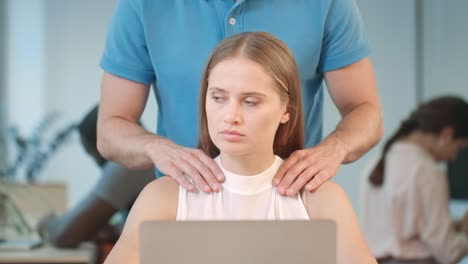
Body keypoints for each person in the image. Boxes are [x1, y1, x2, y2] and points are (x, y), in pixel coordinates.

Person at [104, 32, 376, 264]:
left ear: (286, 111)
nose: (230, 115)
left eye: (251, 101)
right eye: (219, 98)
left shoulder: (321, 200)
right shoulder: (163, 197)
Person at [97, 0, 383, 196]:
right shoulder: (141, 5)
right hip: (185, 203)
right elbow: (111, 129)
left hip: (291, 199)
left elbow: (363, 109)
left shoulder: (327, 4)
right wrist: (156, 148)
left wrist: (335, 148)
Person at [360, 96, 468, 264]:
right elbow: (448, 252)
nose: (454, 157)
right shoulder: (426, 170)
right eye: (459, 147)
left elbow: (403, 231)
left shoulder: (375, 164)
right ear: (447, 134)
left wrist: (455, 226)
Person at [38, 105, 154, 248]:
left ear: (102, 144)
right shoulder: (154, 152)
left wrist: (47, 223)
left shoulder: (129, 162)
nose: (99, 166)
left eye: (93, 155)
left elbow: (65, 235)